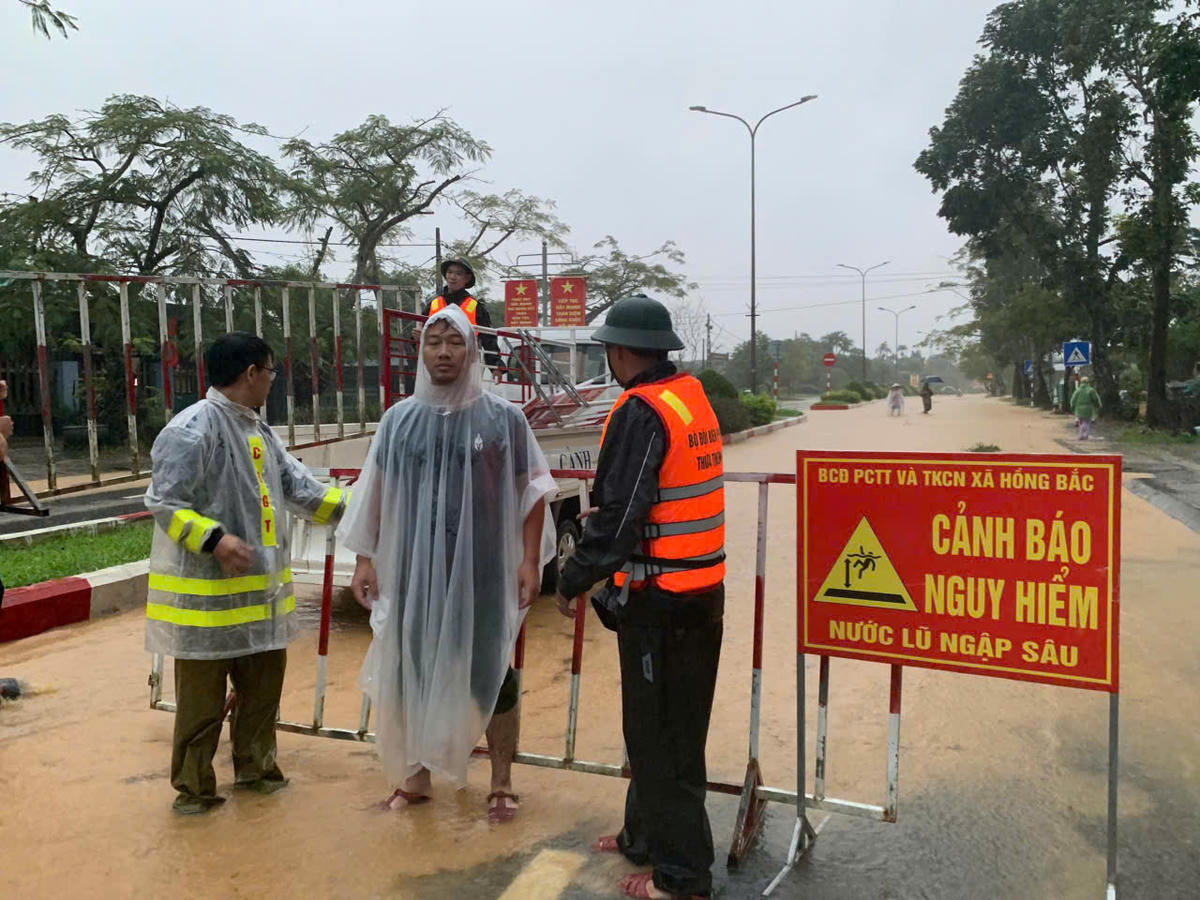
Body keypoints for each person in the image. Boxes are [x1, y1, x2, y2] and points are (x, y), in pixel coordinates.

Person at [338, 305, 555, 822]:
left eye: (454, 342)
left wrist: (529, 562)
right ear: (420, 352)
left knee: (493, 673)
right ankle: (416, 778)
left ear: (472, 351)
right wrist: (364, 560)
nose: (443, 351)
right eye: (433, 341)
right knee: (409, 672)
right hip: (411, 572)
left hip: (484, 571)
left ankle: (500, 781)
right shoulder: (399, 420)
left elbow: (533, 489)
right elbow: (377, 493)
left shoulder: (503, 419)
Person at [554, 295, 724, 900]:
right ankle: (643, 838)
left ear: (621, 352)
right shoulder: (690, 395)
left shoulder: (640, 412)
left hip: (663, 602)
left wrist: (574, 578)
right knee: (658, 729)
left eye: (608, 351)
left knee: (664, 740)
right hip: (697, 593)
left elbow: (619, 516)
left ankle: (683, 878)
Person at [144, 332, 348, 815]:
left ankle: (257, 773)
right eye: (270, 372)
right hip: (206, 609)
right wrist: (214, 540)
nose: (272, 382)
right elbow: (163, 501)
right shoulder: (191, 429)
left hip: (260, 607)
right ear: (252, 373)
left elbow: (302, 490)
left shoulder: (258, 430)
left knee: (261, 699)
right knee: (200, 708)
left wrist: (366, 508)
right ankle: (194, 792)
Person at [422, 258, 503, 373]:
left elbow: (488, 337)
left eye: (458, 273)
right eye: (450, 272)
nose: (452, 277)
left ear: (467, 278)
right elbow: (420, 332)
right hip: (437, 361)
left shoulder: (475, 306)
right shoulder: (433, 303)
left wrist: (495, 365)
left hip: (466, 363)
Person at [1070, 375, 1101, 440]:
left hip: (1079, 409)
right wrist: (1097, 405)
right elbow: (1095, 399)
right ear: (1088, 382)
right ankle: (1084, 435)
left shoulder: (1078, 390)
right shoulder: (1091, 390)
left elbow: (1073, 399)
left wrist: (1072, 407)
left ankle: (1081, 434)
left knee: (1081, 422)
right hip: (1088, 409)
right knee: (1087, 422)